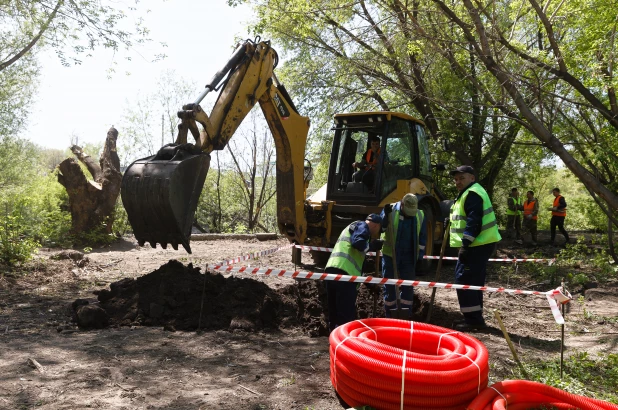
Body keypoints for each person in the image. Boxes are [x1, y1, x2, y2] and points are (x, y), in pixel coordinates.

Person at [449, 165, 501, 331]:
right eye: (456, 179)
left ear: (472, 177)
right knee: (473, 281)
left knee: (464, 280)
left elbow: (474, 222)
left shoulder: (472, 193)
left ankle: (473, 321)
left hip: (476, 245)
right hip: (480, 244)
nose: (458, 182)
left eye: (461, 178)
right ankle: (475, 318)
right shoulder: (470, 192)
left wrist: (465, 245)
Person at [324, 213, 384, 332]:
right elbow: (357, 242)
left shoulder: (351, 227)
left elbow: (353, 263)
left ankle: (334, 343)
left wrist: (368, 283)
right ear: (376, 225)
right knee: (345, 317)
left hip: (332, 271)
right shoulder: (362, 226)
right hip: (345, 277)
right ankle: (344, 346)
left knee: (334, 314)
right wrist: (372, 246)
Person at [379, 193, 427, 318]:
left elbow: (422, 239)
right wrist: (385, 216)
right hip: (390, 255)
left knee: (408, 286)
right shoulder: (390, 210)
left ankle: (406, 314)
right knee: (389, 285)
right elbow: (381, 229)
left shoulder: (420, 215)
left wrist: (420, 258)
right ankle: (390, 313)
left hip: (409, 257)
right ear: (402, 204)